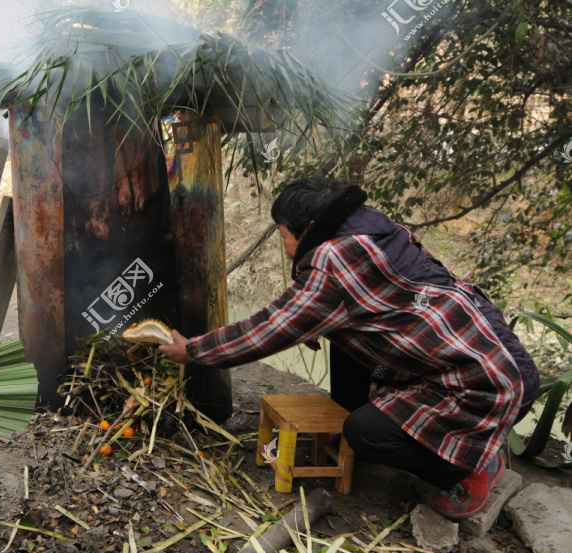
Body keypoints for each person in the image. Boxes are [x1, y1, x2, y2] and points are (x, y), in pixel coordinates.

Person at [159, 178, 539, 519]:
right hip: (499, 360)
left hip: (486, 385)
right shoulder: (371, 228)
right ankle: (381, 440)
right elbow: (358, 307)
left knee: (365, 433)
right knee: (343, 343)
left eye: (282, 235)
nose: (286, 247)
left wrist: (193, 350)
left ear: (307, 228)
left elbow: (268, 330)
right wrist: (311, 322)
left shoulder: (333, 261)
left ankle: (471, 468)